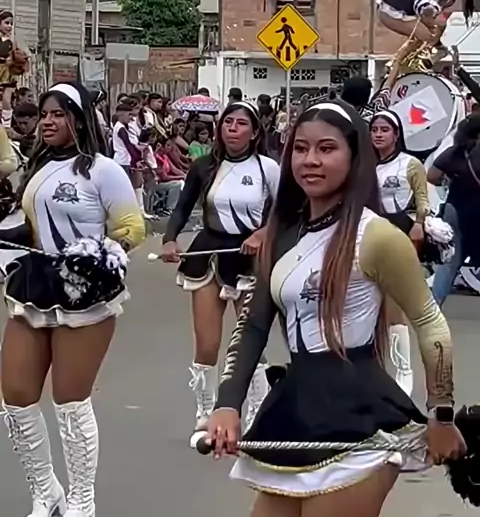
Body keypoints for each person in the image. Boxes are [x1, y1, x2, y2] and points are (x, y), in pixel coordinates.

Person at [205, 101, 464, 516]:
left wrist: (442, 415)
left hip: (362, 420)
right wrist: (227, 403)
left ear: (354, 156)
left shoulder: (377, 236)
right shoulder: (281, 236)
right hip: (294, 408)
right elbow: (253, 325)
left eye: (326, 148)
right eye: (300, 148)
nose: (310, 160)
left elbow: (430, 323)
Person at [1, 82, 145, 517]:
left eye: (58, 114)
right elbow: (31, 227)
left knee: (69, 402)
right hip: (33, 287)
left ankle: (83, 502)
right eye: (44, 114)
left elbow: (132, 228)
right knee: (15, 396)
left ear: (79, 120)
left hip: (85, 293)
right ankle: (46, 492)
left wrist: (98, 255)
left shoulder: (103, 170)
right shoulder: (37, 167)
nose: (48, 122)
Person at [162, 102, 280, 444]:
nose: (232, 128)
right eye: (228, 122)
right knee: (207, 343)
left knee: (248, 340)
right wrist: (170, 239)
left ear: (254, 132)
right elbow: (182, 207)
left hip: (249, 258)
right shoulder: (204, 166)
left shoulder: (268, 168)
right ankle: (205, 413)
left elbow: (288, 210)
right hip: (208, 254)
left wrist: (263, 234)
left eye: (241, 123)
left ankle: (255, 413)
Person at [370, 110, 429, 396]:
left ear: (396, 134)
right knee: (370, 304)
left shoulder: (410, 164)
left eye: (385, 129)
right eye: (374, 130)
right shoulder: (365, 165)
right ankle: (374, 370)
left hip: (401, 230)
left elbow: (422, 198)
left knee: (393, 304)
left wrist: (419, 224)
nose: (378, 134)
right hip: (370, 232)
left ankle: (403, 372)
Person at [427, 113, 480, 306]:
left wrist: (450, 178)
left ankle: (434, 307)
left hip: (456, 210)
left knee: (450, 263)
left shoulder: (454, 152)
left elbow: (432, 176)